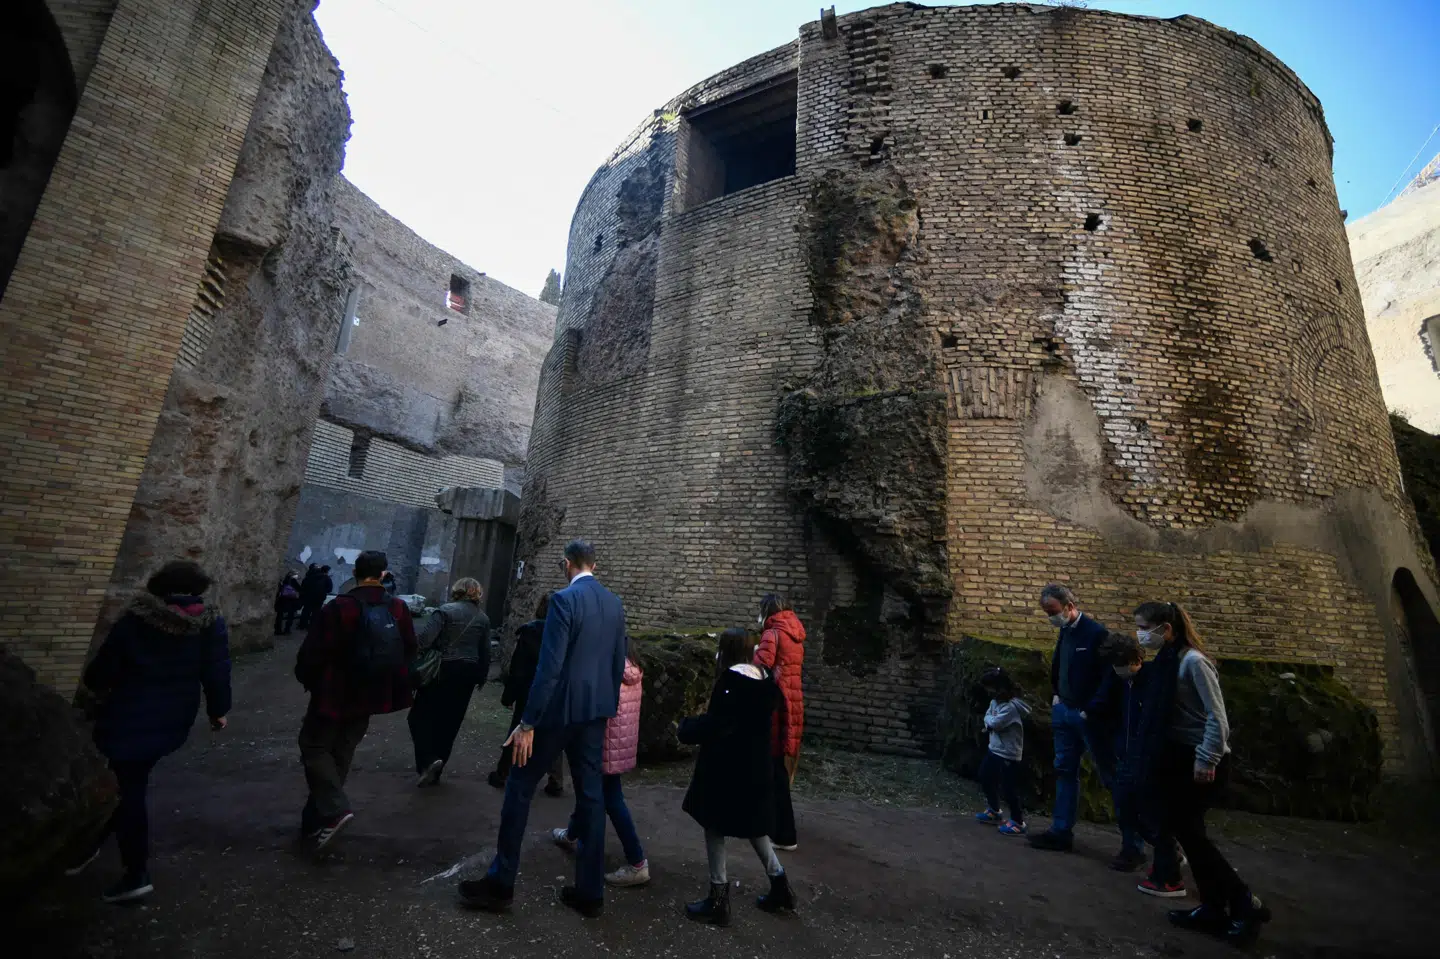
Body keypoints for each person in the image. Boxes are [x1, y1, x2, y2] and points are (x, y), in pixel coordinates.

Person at [459, 539, 627, 919]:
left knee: (519, 788)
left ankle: (501, 882)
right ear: (594, 567)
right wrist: (606, 707)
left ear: (566, 564)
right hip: (595, 714)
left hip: (556, 714)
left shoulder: (563, 602)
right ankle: (590, 891)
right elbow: (617, 665)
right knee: (592, 799)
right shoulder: (614, 605)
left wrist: (528, 722)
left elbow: (549, 669)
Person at [74, 560, 231, 903]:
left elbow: (100, 673)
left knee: (128, 789)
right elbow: (218, 670)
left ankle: (135, 873)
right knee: (128, 779)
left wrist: (97, 690)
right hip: (175, 716)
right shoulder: (209, 623)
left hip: (128, 715)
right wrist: (219, 711)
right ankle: (89, 844)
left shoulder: (137, 620)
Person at [1131, 601, 1270, 944]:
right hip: (1178, 759)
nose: (1140, 634)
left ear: (1166, 629)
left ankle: (1242, 902)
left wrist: (1206, 759)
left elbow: (1217, 718)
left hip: (1201, 762)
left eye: (1144, 627)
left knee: (1193, 837)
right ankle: (1213, 905)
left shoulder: (1193, 662)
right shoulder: (1166, 661)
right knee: (1188, 834)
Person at [294, 549, 416, 849]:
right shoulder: (398, 608)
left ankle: (334, 810)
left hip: (334, 690)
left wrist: (310, 680)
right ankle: (315, 822)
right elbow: (410, 649)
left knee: (313, 746)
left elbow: (312, 653)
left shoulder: (339, 607)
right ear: (384, 574)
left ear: (355, 573)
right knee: (341, 751)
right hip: (372, 692)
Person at [680, 627, 796, 926]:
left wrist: (687, 729)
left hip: (727, 768)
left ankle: (718, 899)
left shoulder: (731, 682)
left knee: (714, 825)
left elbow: (717, 724)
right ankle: (780, 884)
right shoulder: (764, 681)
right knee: (754, 826)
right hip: (756, 768)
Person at [551, 654, 650, 887]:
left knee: (611, 799)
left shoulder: (608, 668)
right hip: (620, 744)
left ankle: (637, 861)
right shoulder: (633, 668)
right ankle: (572, 834)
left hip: (604, 742)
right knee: (595, 792)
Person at [1029, 583, 1113, 853]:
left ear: (1069, 606)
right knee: (1065, 771)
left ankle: (1136, 843)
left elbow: (1109, 676)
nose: (1050, 617)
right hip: (1064, 710)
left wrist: (1092, 708)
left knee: (1110, 775)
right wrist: (1057, 696)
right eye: (1046, 612)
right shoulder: (1065, 631)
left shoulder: (1096, 634)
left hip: (1086, 715)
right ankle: (1061, 831)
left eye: (1052, 611)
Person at [407, 577, 490, 787]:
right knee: (451, 721)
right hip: (468, 673)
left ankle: (427, 761)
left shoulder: (444, 611)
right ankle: (437, 769)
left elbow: (425, 640)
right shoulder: (483, 618)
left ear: (458, 590)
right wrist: (481, 676)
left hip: (442, 669)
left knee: (419, 717)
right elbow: (485, 651)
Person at [1093, 630, 1162, 875]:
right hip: (1124, 750)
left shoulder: (1152, 679)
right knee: (1124, 805)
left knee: (1142, 807)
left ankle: (1163, 849)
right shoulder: (1119, 680)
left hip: (1143, 753)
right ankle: (1132, 849)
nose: (1118, 669)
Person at [489, 592, 565, 796]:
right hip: (555, 693)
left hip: (529, 692)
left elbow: (518, 669)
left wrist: (508, 696)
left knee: (518, 730)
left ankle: (502, 773)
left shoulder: (530, 632)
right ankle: (556, 779)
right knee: (553, 735)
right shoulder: (565, 634)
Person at [753, 593, 804, 851]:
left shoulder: (772, 634)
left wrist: (753, 654)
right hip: (792, 705)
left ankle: (784, 833)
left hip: (775, 707)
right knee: (779, 767)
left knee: (775, 772)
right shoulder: (795, 634)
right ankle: (778, 828)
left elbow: (760, 667)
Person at [973, 666, 1030, 836]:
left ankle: (1018, 822)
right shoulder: (994, 703)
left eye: (990, 688)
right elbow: (988, 718)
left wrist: (989, 721)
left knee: (1008, 788)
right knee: (985, 777)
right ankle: (994, 810)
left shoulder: (1011, 708)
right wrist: (989, 721)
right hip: (994, 749)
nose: (988, 692)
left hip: (1008, 754)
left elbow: (994, 723)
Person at [298, 564, 332, 630]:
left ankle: (302, 625)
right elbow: (329, 589)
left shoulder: (309, 576)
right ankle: (312, 626)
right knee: (316, 612)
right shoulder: (326, 577)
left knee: (306, 610)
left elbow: (304, 585)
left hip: (308, 596)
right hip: (319, 597)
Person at [274, 571, 302, 636]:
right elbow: (300, 590)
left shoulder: (284, 581)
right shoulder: (294, 582)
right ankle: (287, 630)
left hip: (282, 600)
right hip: (291, 601)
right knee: (290, 615)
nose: (297, 575)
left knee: (280, 615)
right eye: (296, 574)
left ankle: (278, 630)